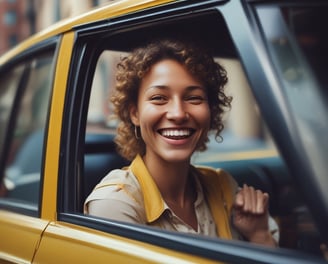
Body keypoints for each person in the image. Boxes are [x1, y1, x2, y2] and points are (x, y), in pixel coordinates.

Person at [84, 39, 279, 247]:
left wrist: (259, 235)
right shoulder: (115, 203)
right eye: (159, 98)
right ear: (135, 113)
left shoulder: (223, 187)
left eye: (194, 98)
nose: (178, 113)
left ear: (210, 112)